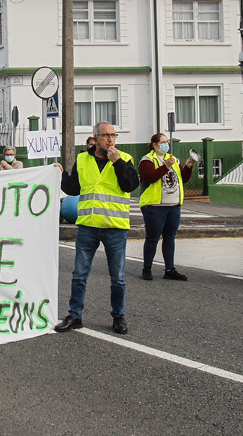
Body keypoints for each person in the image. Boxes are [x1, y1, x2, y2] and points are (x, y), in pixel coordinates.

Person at [55, 121, 139, 335]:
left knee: (118, 277)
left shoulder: (125, 158)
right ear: (95, 139)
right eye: (105, 135)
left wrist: (117, 162)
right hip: (88, 226)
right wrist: (61, 174)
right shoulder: (83, 159)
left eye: (113, 135)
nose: (110, 139)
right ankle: (75, 315)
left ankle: (118, 316)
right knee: (79, 274)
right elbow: (73, 188)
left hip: (115, 226)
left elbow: (131, 185)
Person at [137, 133, 195, 281]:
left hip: (173, 205)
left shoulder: (173, 159)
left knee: (170, 237)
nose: (166, 144)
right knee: (153, 237)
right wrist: (166, 166)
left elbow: (183, 178)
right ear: (155, 145)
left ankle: (170, 269)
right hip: (154, 206)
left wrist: (188, 168)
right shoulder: (147, 160)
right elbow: (149, 177)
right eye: (163, 142)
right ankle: (147, 268)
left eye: (167, 142)